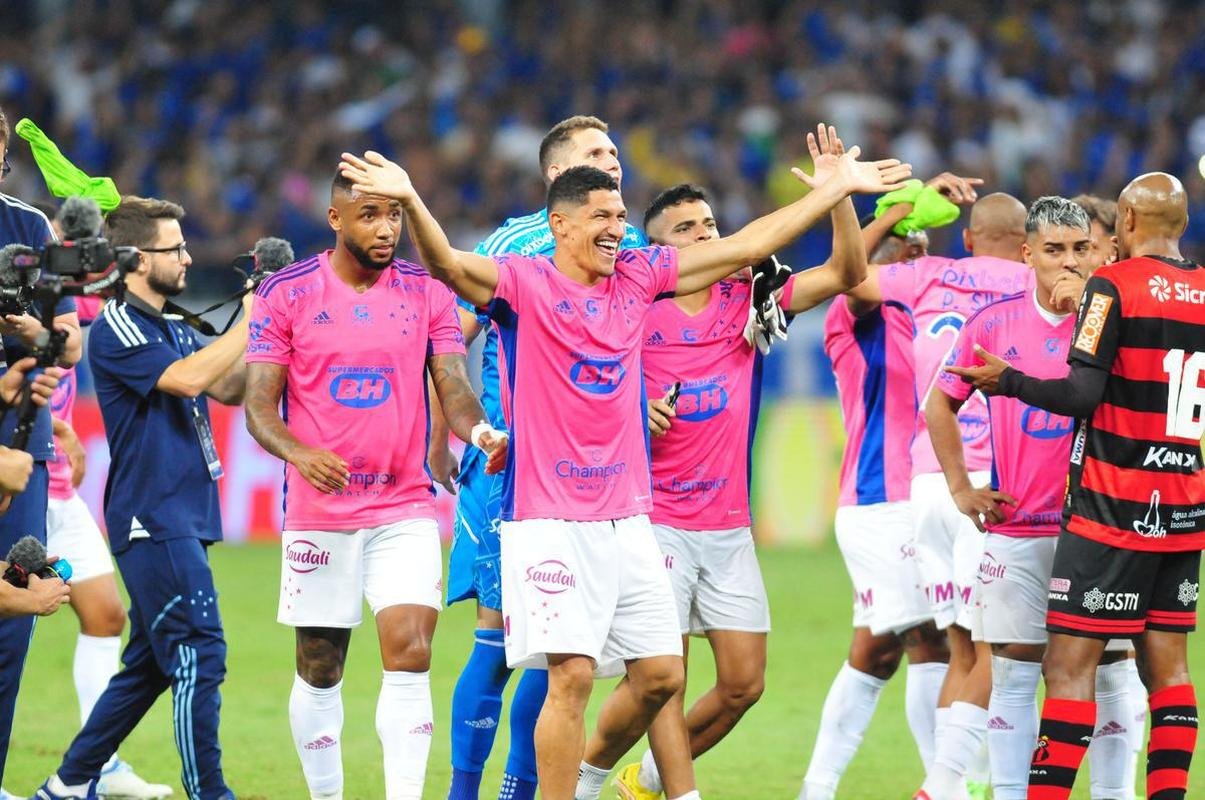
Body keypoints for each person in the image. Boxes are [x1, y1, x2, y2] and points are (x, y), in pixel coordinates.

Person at [338, 138, 911, 800]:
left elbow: (749, 244)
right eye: (602, 217)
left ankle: (597, 780)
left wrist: (834, 189)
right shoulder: (523, 283)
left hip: (629, 520)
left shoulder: (639, 276)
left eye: (619, 215)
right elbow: (446, 263)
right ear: (560, 224)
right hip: (548, 519)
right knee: (571, 675)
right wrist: (410, 198)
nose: (617, 227)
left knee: (662, 673)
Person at [581, 126, 872, 800]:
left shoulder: (749, 297)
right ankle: (614, 784)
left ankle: (634, 779)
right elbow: (587, 390)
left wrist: (839, 195)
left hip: (727, 523)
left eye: (709, 224)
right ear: (658, 250)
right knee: (664, 679)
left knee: (744, 683)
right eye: (686, 229)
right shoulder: (631, 306)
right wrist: (633, 411)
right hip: (654, 520)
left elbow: (847, 274)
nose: (705, 235)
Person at [244, 169, 505, 800]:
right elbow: (257, 407)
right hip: (321, 512)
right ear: (336, 219)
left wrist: (478, 432)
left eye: (393, 215)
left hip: (404, 505)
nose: (386, 228)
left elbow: (453, 385)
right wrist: (300, 453)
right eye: (369, 215)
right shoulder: (286, 293)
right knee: (320, 665)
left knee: (411, 651)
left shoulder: (427, 292)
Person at [949, 172, 1204, 800]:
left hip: (1110, 508)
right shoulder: (1202, 290)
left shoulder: (1111, 288)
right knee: (1169, 670)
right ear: (1183, 225)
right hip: (1182, 507)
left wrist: (1009, 382)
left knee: (1067, 668)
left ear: (1126, 222)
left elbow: (1081, 394)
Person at [437, 115, 645, 800]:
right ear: (557, 174)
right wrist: (451, 432)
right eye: (596, 153)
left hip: (599, 476)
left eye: (614, 151)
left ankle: (519, 791)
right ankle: (464, 793)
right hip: (513, 466)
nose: (612, 161)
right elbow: (449, 340)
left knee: (564, 650)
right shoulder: (513, 244)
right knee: (499, 641)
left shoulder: (629, 245)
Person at [35, 195, 251, 800]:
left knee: (150, 666)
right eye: (174, 248)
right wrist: (251, 320)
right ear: (136, 260)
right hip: (153, 517)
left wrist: (265, 325)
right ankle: (211, 792)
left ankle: (67, 784)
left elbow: (228, 387)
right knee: (201, 651)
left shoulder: (174, 327)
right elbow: (187, 379)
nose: (187, 257)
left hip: (182, 514)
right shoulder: (119, 324)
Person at [925, 196, 1134, 800]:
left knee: (1112, 672)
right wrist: (961, 487)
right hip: (1018, 529)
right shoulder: (993, 324)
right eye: (1053, 250)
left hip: (1098, 527)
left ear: (1097, 252)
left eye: (1080, 249)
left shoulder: (1115, 321)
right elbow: (940, 403)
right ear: (1027, 254)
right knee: (1014, 673)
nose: (1068, 261)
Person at [847, 191, 1031, 797]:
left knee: (961, 652)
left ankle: (950, 786)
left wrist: (897, 214)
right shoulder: (1039, 281)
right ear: (1028, 245)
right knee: (1005, 653)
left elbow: (850, 275)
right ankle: (950, 786)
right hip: (995, 485)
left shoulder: (930, 273)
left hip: (930, 483)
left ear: (970, 239)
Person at [802, 178, 976, 800]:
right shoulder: (858, 310)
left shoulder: (928, 312)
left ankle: (816, 789)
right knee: (932, 640)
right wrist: (895, 211)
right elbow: (848, 272)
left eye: (923, 244)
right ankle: (949, 788)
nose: (916, 253)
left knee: (876, 651)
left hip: (919, 495)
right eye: (904, 245)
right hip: (881, 496)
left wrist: (915, 216)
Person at [0, 104, 82, 787]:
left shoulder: (30, 227)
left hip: (20, 440)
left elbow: (70, 341)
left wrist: (36, 335)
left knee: (13, 613)